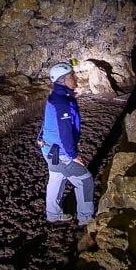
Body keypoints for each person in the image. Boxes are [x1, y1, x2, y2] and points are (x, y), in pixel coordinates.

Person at [39, 61, 94, 225]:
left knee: (56, 178)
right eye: (72, 75)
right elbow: (65, 133)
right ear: (63, 80)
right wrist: (73, 155)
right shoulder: (62, 102)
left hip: (49, 149)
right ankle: (85, 218)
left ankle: (53, 215)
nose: (75, 78)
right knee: (85, 180)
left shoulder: (57, 97)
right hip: (60, 152)